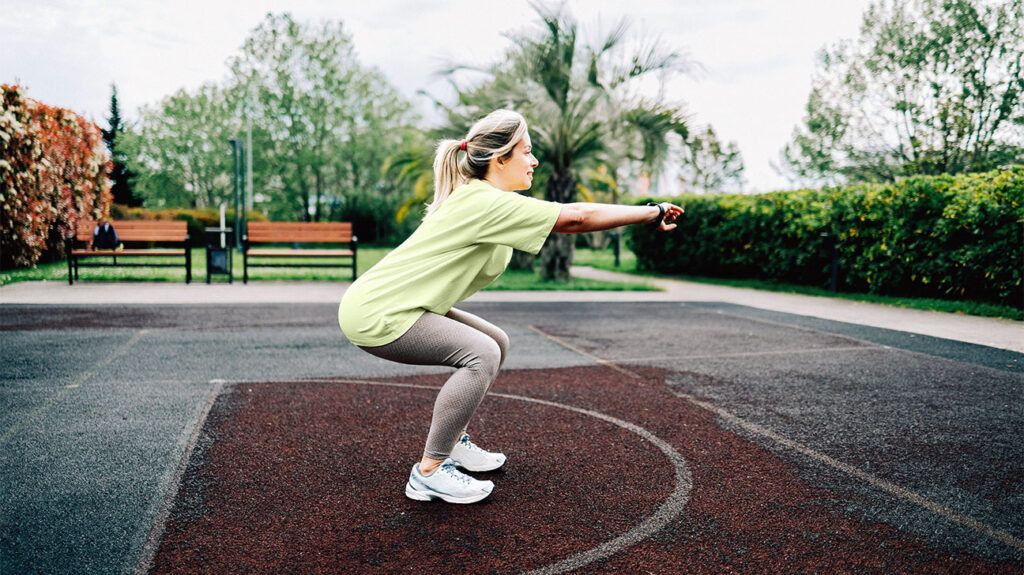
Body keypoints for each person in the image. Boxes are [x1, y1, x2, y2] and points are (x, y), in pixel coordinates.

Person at [337, 109, 683, 504]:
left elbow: (566, 217)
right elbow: (577, 216)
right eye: (526, 152)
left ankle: (453, 443)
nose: (534, 161)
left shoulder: (487, 200)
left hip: (397, 304)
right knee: (480, 354)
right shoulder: (483, 201)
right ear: (500, 159)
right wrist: (652, 211)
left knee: (494, 341)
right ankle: (429, 471)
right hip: (378, 312)